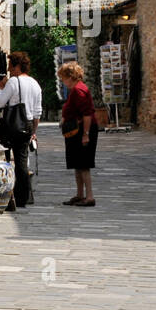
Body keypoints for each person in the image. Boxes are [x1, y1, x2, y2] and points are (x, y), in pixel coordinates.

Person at [0, 50, 41, 208]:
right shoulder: (35, 84)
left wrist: (1, 88)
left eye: (10, 67)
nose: (8, 70)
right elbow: (37, 113)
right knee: (22, 162)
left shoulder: (13, 82)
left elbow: (0, 103)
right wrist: (33, 131)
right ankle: (24, 197)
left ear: (17, 66)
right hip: (27, 125)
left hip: (11, 125)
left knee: (4, 159)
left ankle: (7, 195)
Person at [57, 61, 98, 207]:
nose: (63, 81)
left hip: (82, 131)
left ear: (71, 76)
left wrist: (85, 134)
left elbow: (87, 114)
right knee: (77, 164)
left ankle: (89, 196)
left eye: (63, 78)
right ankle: (80, 194)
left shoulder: (79, 90)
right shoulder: (75, 90)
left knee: (84, 164)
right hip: (76, 132)